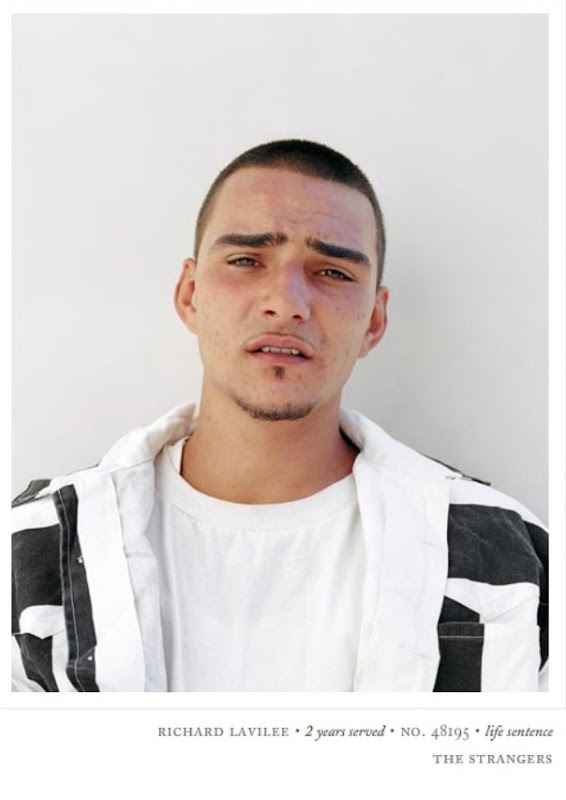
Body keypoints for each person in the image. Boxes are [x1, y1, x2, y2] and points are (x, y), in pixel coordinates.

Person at [12, 140, 548, 692]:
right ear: (190, 294)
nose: (287, 302)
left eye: (333, 272)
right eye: (246, 261)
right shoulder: (33, 546)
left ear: (374, 320)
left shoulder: (515, 557)